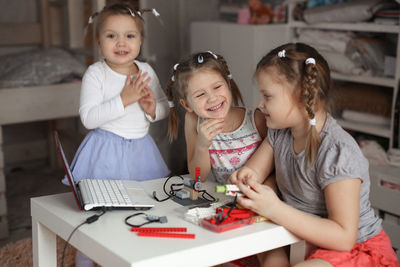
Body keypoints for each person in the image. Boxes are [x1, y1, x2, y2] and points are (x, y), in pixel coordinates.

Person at [230, 43, 398, 267]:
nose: (260, 105)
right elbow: (254, 172)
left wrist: (275, 208)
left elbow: (343, 237)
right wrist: (246, 178)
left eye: (267, 96)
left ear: (301, 96)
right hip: (297, 236)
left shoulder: (338, 151)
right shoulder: (279, 134)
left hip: (354, 247)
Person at [63, 3, 170, 267]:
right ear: (99, 42)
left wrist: (151, 109)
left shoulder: (146, 71)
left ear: (140, 40)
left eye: (129, 35)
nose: (121, 42)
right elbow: (88, 117)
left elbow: (165, 106)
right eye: (111, 35)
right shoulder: (95, 73)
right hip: (104, 152)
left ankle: (134, 255)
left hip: (140, 151)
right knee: (98, 213)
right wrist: (124, 99)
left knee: (142, 207)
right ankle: (85, 259)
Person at [166, 51, 267, 184]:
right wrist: (202, 145)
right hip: (222, 198)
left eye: (217, 87)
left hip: (257, 198)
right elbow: (198, 177)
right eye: (200, 94)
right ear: (187, 105)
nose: (212, 98)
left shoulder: (257, 119)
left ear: (228, 85)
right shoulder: (194, 121)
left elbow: (275, 167)